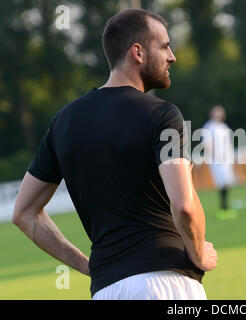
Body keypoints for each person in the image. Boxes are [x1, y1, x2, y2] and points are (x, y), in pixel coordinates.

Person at [12, 9, 217, 300]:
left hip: (106, 289)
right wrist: (198, 255)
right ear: (138, 52)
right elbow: (183, 204)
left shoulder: (63, 123)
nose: (172, 56)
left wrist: (88, 265)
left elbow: (24, 214)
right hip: (164, 282)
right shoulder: (163, 115)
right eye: (164, 46)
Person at [202, 106, 238, 220]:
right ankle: (223, 209)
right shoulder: (208, 127)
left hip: (226, 159)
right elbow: (206, 143)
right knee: (222, 183)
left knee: (227, 183)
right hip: (217, 160)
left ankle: (225, 208)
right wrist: (216, 155)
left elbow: (228, 143)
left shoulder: (223, 126)